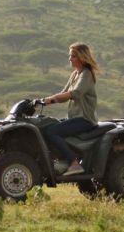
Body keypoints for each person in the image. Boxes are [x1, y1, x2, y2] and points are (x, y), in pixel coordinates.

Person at [39, 43, 100, 176]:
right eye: (70, 56)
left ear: (82, 58)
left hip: (84, 119)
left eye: (73, 56)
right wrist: (44, 101)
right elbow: (64, 94)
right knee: (48, 125)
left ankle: (73, 162)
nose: (70, 59)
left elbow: (75, 93)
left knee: (52, 132)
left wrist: (51, 98)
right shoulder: (75, 74)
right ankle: (59, 161)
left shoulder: (87, 74)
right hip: (74, 117)